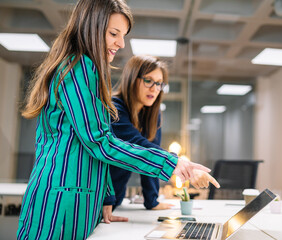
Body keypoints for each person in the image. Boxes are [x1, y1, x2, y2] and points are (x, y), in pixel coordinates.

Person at [17, 0, 210, 239]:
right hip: (61, 200)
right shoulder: (79, 67)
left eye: (123, 35)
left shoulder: (88, 70)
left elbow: (93, 147)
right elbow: (99, 142)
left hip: (75, 196)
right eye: (113, 34)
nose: (121, 43)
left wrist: (107, 196)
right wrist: (171, 163)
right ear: (92, 28)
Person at [102, 55, 220, 219]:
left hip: (116, 199)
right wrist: (181, 166)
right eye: (148, 80)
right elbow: (140, 146)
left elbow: (149, 157)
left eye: (159, 83)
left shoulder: (152, 114)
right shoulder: (114, 108)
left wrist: (152, 201)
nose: (154, 88)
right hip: (100, 198)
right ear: (131, 79)